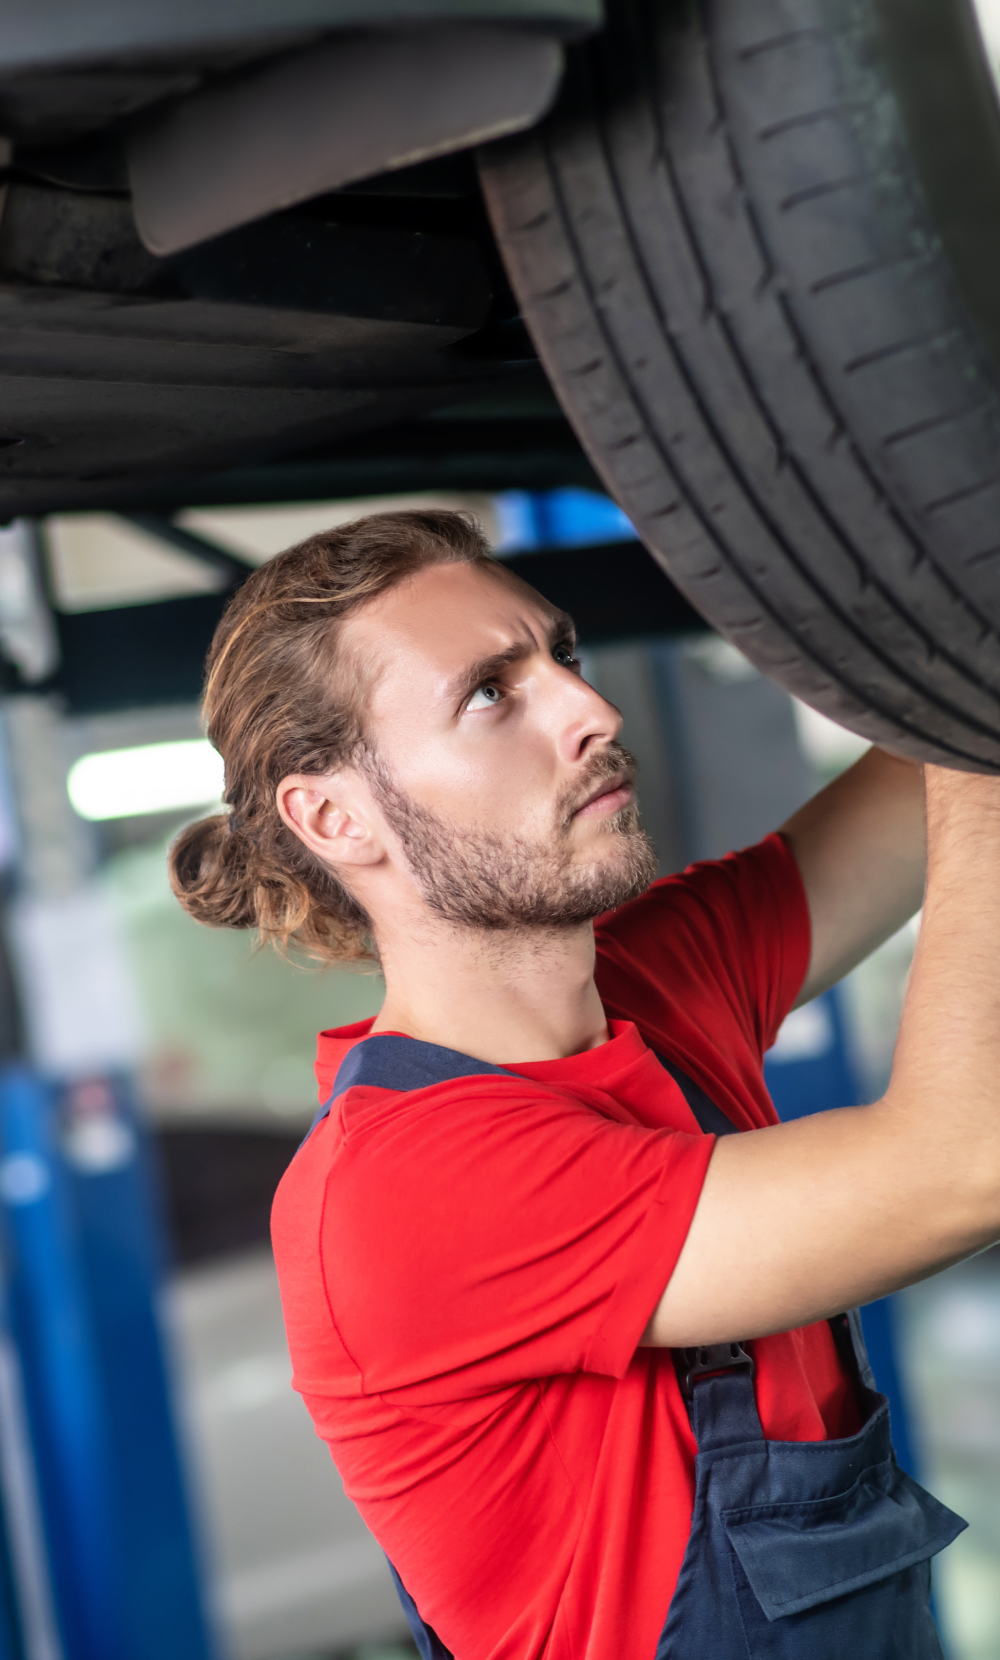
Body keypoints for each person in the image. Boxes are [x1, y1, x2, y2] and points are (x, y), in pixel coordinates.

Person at [169, 508, 993, 1660]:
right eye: (491, 695)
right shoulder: (405, 1190)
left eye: (560, 657)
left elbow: (935, 767)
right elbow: (962, 1162)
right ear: (332, 815)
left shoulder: (653, 981)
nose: (589, 710)